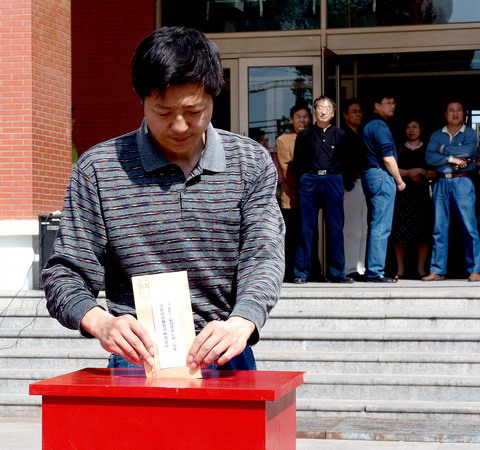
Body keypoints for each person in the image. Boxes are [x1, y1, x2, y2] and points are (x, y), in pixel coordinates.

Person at [42, 27, 284, 372]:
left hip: (226, 350)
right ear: (141, 99)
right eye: (164, 112)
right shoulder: (98, 169)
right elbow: (65, 272)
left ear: (214, 96)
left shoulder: (249, 162)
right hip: (138, 359)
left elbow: (263, 255)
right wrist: (101, 322)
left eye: (194, 111)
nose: (180, 126)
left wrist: (243, 320)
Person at [292, 96, 353, 284]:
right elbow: (298, 162)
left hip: (333, 179)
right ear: (315, 111)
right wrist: (305, 177)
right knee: (306, 228)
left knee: (335, 227)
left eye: (327, 108)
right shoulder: (304, 135)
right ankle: (302, 272)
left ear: (333, 113)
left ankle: (337, 272)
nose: (323, 111)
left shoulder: (340, 135)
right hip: (309, 180)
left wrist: (343, 181)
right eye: (320, 107)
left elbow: (347, 160)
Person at [423, 101, 480, 281]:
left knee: (469, 227)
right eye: (451, 111)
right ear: (445, 114)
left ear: (464, 114)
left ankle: (475, 269)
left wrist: (443, 150)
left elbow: (468, 150)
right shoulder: (436, 134)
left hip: (463, 181)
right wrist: (451, 159)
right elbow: (429, 157)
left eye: (458, 111)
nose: (455, 114)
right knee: (439, 228)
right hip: (441, 182)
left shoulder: (470, 133)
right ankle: (437, 270)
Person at [362, 94, 406, 283]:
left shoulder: (369, 124)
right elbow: (388, 157)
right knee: (381, 225)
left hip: (371, 175)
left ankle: (373, 268)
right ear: (376, 105)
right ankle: (375, 271)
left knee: (376, 223)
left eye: (394, 102)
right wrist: (399, 180)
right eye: (388, 103)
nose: (392, 106)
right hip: (381, 175)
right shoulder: (379, 126)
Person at [391, 119, 435, 279]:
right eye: (408, 127)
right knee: (399, 232)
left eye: (415, 127)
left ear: (421, 129)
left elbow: (435, 173)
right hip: (402, 193)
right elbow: (391, 167)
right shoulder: (399, 147)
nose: (411, 130)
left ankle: (421, 269)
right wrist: (409, 173)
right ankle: (400, 269)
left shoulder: (428, 148)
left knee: (423, 233)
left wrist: (422, 171)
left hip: (421, 195)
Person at [274, 103, 311, 282]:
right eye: (298, 117)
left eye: (305, 117)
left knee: (309, 235)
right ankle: (290, 273)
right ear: (291, 120)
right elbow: (286, 169)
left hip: (311, 196)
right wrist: (306, 182)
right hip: (292, 195)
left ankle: (310, 271)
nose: (302, 120)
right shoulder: (284, 140)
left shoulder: (313, 137)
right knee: (292, 236)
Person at [341, 99, 367, 280]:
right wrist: (347, 182)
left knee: (364, 229)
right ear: (345, 115)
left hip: (365, 183)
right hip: (350, 184)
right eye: (354, 111)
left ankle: (360, 268)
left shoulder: (363, 134)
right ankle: (349, 268)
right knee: (352, 229)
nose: (358, 115)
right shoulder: (342, 135)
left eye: (360, 111)